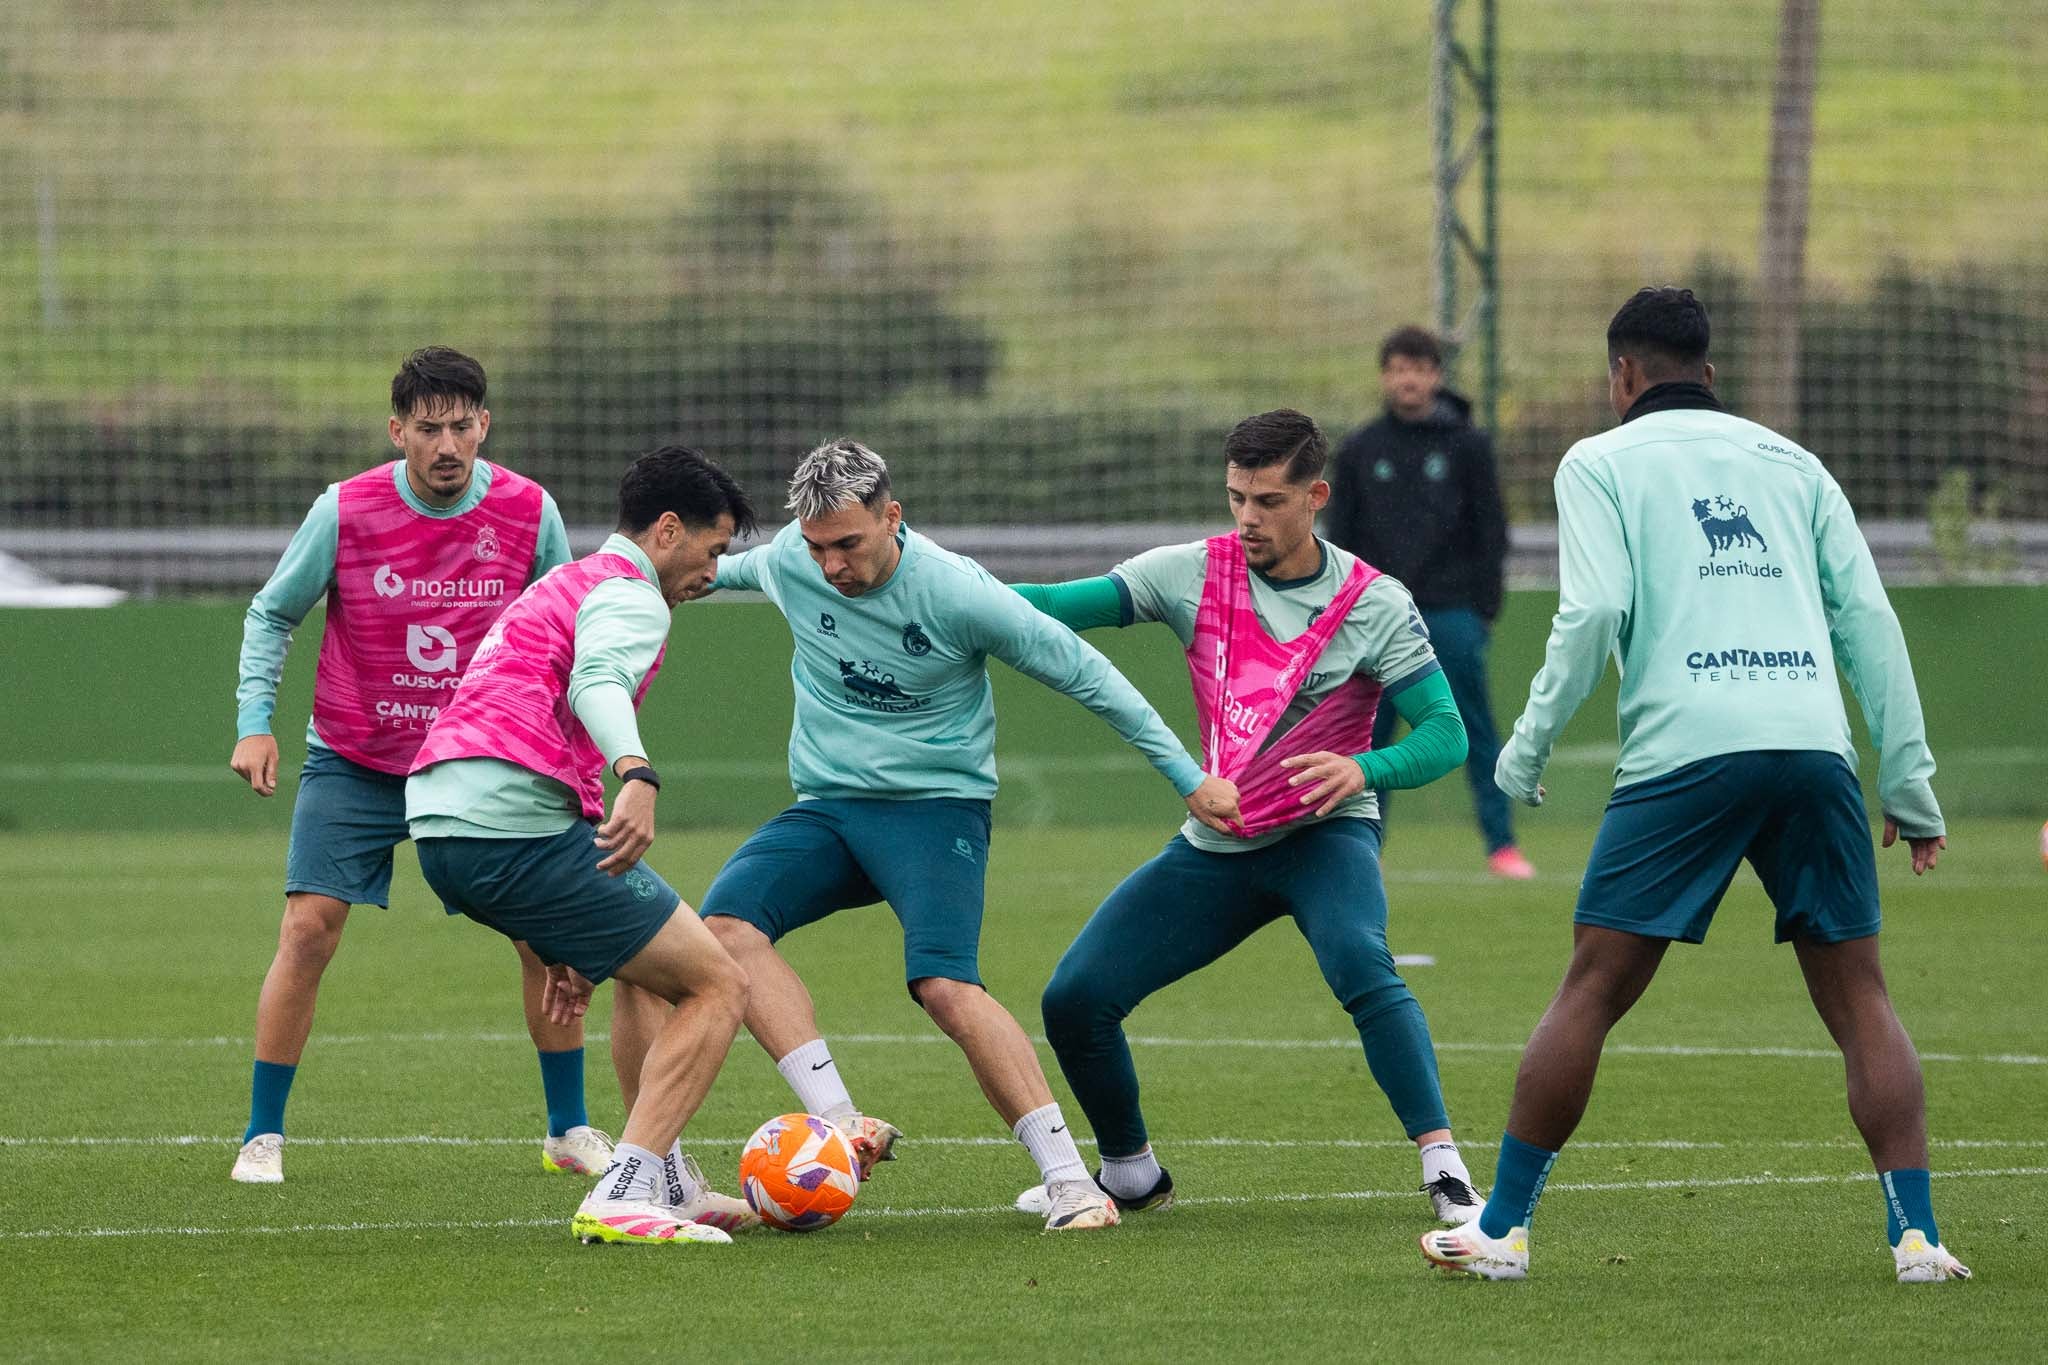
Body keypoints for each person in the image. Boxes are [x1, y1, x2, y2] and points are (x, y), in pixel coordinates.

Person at [1419, 287, 1969, 1284]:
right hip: (1810, 748)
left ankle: (1499, 1230)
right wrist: (1911, 786)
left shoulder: (1598, 462)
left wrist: (1526, 749)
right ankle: (1916, 1238)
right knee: (1858, 999)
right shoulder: (1793, 465)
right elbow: (1867, 624)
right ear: (1708, 375)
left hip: (1685, 751)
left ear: (1618, 376)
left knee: (1590, 989)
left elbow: (1590, 615)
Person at [699, 438, 1242, 1233]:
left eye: (848, 544)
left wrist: (1188, 776)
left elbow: (1086, 673)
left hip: (935, 812)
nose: (832, 566)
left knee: (945, 985)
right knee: (724, 931)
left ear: (893, 516)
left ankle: (1069, 1182)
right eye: (818, 548)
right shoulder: (791, 560)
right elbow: (706, 571)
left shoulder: (958, 592)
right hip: (827, 810)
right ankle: (844, 1124)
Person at [1010, 408, 1487, 1225]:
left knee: (1360, 962)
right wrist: (934, 590)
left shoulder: (1374, 601)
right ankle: (1129, 1171)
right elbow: (1053, 603)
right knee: (1074, 998)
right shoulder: (1189, 572)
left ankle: (1445, 1168)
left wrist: (1364, 766)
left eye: (1268, 500)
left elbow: (1449, 734)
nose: (1247, 517)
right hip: (1220, 843)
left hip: (1326, 837)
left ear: (1316, 496)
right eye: (1236, 497)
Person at [227, 347, 616, 1185]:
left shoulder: (529, 511)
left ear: (485, 425)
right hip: (357, 758)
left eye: (462, 425)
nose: (447, 444)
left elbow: (570, 648)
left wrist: (578, 775)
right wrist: (254, 723)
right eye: (428, 428)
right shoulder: (345, 509)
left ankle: (568, 1127)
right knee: (307, 929)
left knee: (547, 940)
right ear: (397, 430)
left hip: (484, 761)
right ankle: (263, 1135)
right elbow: (271, 613)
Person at [407, 444, 760, 1246]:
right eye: (711, 549)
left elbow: (541, 717)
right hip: (505, 825)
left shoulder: (562, 582)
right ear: (668, 530)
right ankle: (625, 1189)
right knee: (720, 984)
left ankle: (667, 1178)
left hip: (447, 823)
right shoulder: (631, 594)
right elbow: (594, 682)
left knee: (649, 967)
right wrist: (638, 771)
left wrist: (571, 937)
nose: (713, 570)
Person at [1324, 326, 1532, 879]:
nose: (1408, 379)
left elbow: (1492, 532)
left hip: (1451, 613)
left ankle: (1501, 846)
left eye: (1419, 368)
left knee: (1473, 728)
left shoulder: (1468, 446)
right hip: (1374, 621)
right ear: (1384, 376)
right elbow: (1339, 540)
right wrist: (1346, 614)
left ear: (1436, 376)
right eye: (1397, 368)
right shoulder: (1361, 450)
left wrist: (1480, 611)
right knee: (1365, 736)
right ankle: (1358, 847)